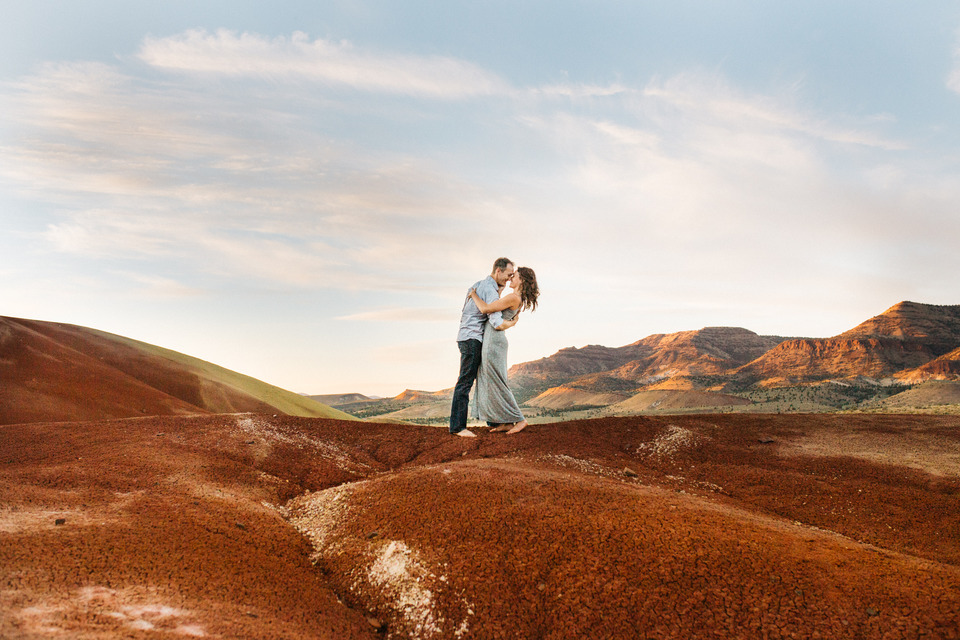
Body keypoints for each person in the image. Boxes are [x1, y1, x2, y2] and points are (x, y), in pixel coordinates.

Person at [450, 258, 518, 437]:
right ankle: (458, 427)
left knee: (480, 378)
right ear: (498, 271)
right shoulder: (490, 290)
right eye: (508, 274)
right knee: (465, 381)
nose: (510, 278)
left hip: (466, 337)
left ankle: (494, 421)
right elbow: (496, 322)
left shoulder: (479, 285)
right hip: (473, 339)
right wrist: (512, 323)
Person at [468, 266, 539, 434]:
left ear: (521, 280)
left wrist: (473, 295)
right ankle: (505, 422)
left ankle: (520, 419)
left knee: (497, 380)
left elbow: (485, 309)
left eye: (515, 276)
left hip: (494, 342)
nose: (511, 278)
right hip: (494, 340)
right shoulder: (515, 298)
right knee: (492, 379)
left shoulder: (513, 297)